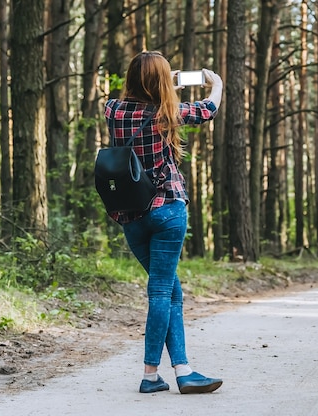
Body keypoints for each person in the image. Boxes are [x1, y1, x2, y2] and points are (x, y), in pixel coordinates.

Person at [103, 51, 223, 394]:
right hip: (167, 209)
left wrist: (155, 82)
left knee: (171, 291)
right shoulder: (167, 112)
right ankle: (151, 373)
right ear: (163, 81)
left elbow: (138, 100)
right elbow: (208, 109)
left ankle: (182, 370)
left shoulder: (113, 110)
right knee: (161, 292)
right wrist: (216, 85)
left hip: (130, 214)